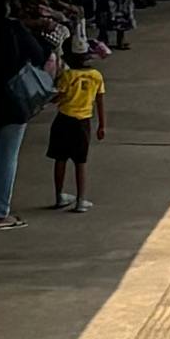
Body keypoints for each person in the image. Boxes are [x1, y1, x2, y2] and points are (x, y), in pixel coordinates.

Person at [0, 0, 51, 226]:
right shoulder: (13, 28)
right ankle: (1, 212)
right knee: (9, 156)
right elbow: (38, 53)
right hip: (14, 100)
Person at [46, 24, 104, 214]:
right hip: (83, 122)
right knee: (80, 162)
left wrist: (47, 98)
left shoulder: (67, 75)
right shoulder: (96, 76)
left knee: (60, 158)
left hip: (64, 120)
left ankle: (59, 195)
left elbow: (59, 97)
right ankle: (80, 200)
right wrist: (102, 125)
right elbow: (99, 101)